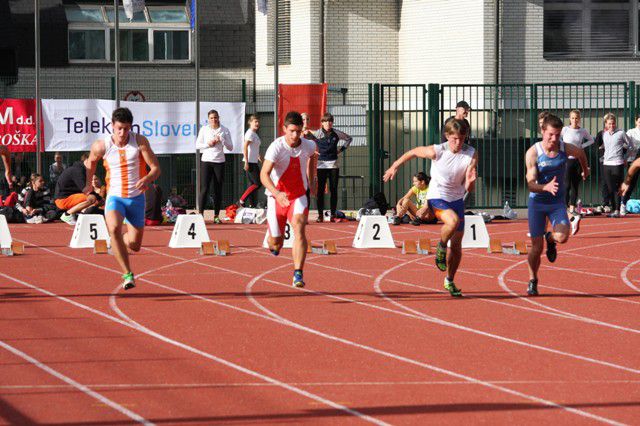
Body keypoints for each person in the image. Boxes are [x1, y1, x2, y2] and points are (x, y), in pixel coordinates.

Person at [384, 119, 478, 297]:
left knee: (457, 246)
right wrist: (394, 166)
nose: (458, 143)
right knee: (452, 221)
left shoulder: (471, 154)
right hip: (437, 197)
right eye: (454, 139)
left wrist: (471, 182)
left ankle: (449, 280)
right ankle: (441, 247)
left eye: (462, 139)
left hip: (457, 200)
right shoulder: (438, 151)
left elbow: (468, 187)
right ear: (447, 136)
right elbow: (413, 152)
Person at [85, 107, 160, 290]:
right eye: (119, 128)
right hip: (115, 197)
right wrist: (89, 184)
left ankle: (117, 244)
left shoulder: (139, 142)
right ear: (112, 126)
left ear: (131, 127)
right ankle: (127, 274)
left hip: (136, 199)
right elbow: (91, 163)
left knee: (134, 245)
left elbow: (156, 168)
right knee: (114, 228)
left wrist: (147, 178)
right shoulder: (101, 146)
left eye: (126, 129)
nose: (122, 133)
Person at [525, 114, 589, 296]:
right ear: (543, 131)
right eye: (551, 135)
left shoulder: (564, 147)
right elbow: (530, 183)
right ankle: (532, 279)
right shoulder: (533, 152)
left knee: (562, 237)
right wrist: (544, 186)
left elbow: (581, 153)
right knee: (536, 249)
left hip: (556, 203)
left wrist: (585, 170)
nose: (554, 139)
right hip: (537, 203)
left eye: (558, 135)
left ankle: (550, 239)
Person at [260, 111, 317, 288]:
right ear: (284, 129)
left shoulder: (308, 145)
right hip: (275, 198)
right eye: (291, 131)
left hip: (298, 196)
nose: (295, 135)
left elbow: (312, 157)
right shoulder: (276, 147)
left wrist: (312, 180)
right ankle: (275, 245)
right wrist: (277, 194)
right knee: (276, 242)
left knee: (299, 227)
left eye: (298, 131)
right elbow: (264, 174)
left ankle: (298, 273)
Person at [314, 112, 352, 222]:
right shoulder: (317, 133)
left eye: (330, 121)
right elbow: (307, 141)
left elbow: (349, 138)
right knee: (320, 190)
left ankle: (332, 215)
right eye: (326, 121)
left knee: (334, 190)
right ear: (322, 123)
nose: (328, 123)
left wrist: (341, 150)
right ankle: (320, 215)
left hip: (334, 165)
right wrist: (314, 151)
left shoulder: (336, 133)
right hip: (321, 165)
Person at [196, 109, 232, 223]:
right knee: (204, 188)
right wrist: (208, 144)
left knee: (218, 190)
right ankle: (200, 215)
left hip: (220, 162)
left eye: (215, 117)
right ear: (208, 119)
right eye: (211, 118)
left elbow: (231, 147)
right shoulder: (204, 129)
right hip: (206, 161)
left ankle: (216, 216)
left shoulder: (225, 130)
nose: (214, 120)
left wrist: (222, 140)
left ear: (218, 118)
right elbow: (197, 145)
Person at [54, 154, 101, 225]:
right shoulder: (78, 170)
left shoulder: (82, 169)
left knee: (95, 199)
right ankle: (67, 215)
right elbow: (85, 189)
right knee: (92, 198)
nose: (95, 164)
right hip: (62, 200)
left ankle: (79, 214)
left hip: (69, 197)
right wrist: (99, 197)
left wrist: (99, 198)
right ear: (86, 160)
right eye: (93, 162)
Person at [599, 113, 629, 218]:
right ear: (606, 124)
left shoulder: (621, 133)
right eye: (609, 124)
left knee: (617, 187)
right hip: (606, 164)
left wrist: (625, 157)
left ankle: (617, 210)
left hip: (618, 163)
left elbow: (629, 145)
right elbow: (605, 146)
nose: (612, 125)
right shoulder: (604, 134)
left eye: (613, 123)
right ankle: (613, 209)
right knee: (610, 188)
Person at [238, 115, 263, 208]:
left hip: (254, 161)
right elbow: (245, 147)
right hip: (250, 162)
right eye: (255, 121)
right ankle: (242, 200)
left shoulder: (254, 134)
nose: (257, 123)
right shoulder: (250, 133)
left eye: (258, 122)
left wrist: (260, 158)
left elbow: (254, 148)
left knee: (252, 185)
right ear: (250, 123)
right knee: (257, 183)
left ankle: (252, 205)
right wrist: (246, 162)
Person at [621, 115, 640, 214]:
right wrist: (624, 158)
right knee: (631, 184)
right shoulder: (631, 132)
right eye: (639, 121)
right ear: (636, 122)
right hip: (632, 160)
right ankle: (623, 204)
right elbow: (624, 146)